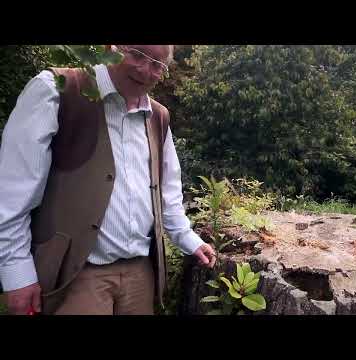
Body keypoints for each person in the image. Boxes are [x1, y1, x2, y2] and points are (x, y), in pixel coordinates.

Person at [0, 45, 216, 315]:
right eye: (137, 54)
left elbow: (167, 196)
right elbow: (12, 194)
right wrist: (17, 273)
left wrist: (188, 239)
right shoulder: (57, 88)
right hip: (74, 278)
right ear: (109, 48)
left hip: (140, 276)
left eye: (157, 65)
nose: (145, 70)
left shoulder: (159, 117)